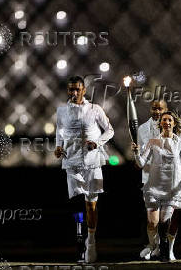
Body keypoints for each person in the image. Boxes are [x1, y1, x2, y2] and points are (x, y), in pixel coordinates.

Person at [54, 76, 114, 263]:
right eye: (71, 89)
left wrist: (97, 142)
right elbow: (59, 131)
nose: (74, 93)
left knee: (91, 205)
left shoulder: (95, 109)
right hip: (71, 161)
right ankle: (79, 242)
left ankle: (91, 241)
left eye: (77, 89)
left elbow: (110, 130)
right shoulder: (62, 110)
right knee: (75, 203)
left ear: (84, 90)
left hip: (92, 161)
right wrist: (58, 146)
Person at [132, 110, 181, 261]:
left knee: (164, 222)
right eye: (164, 120)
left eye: (170, 120)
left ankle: (166, 249)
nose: (167, 122)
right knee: (152, 222)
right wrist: (136, 153)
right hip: (153, 188)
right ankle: (154, 246)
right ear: (160, 123)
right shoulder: (153, 141)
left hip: (172, 190)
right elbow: (141, 163)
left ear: (174, 124)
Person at [137, 100, 166, 260]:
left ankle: (164, 247)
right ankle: (154, 246)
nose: (157, 111)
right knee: (152, 218)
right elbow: (141, 156)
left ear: (166, 110)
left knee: (166, 218)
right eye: (155, 108)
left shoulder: (172, 127)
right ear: (150, 109)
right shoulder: (142, 129)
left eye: (160, 108)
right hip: (149, 178)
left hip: (168, 179)